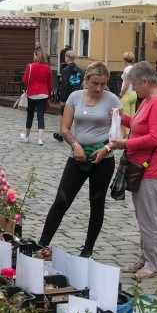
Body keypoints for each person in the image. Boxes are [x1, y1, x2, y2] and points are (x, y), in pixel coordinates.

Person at [37, 61, 121, 259]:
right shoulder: (75, 97)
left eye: (103, 83)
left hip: (103, 159)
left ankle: (87, 249)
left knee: (96, 203)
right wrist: (75, 145)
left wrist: (106, 148)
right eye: (95, 83)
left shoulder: (112, 100)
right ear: (86, 81)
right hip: (77, 157)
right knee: (61, 200)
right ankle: (42, 242)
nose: (99, 88)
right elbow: (64, 129)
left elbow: (119, 134)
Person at [107, 61, 157, 281]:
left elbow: (154, 138)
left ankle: (153, 263)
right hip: (142, 166)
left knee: (150, 218)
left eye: (135, 85)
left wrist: (125, 144)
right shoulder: (148, 99)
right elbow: (139, 125)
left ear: (145, 81)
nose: (133, 89)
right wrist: (122, 117)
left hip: (153, 167)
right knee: (143, 217)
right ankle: (145, 257)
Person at [20, 47, 53, 145]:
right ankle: (39, 139)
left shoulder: (29, 66)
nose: (33, 56)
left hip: (32, 94)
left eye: (34, 55)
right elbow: (49, 84)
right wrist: (49, 96)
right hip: (43, 94)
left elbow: (25, 81)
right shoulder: (47, 68)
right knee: (41, 116)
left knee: (30, 115)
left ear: (36, 56)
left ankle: (27, 137)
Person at [54, 50, 84, 142]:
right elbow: (82, 84)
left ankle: (63, 134)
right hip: (78, 95)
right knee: (76, 116)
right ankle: (62, 134)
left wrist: (62, 98)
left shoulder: (65, 70)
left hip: (68, 96)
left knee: (65, 116)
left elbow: (64, 85)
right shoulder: (80, 71)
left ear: (67, 58)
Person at [120, 52, 137, 135]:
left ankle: (126, 134)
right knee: (132, 115)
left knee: (126, 115)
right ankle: (133, 131)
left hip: (127, 94)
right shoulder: (134, 68)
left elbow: (126, 84)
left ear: (124, 59)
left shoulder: (127, 69)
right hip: (134, 93)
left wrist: (120, 94)